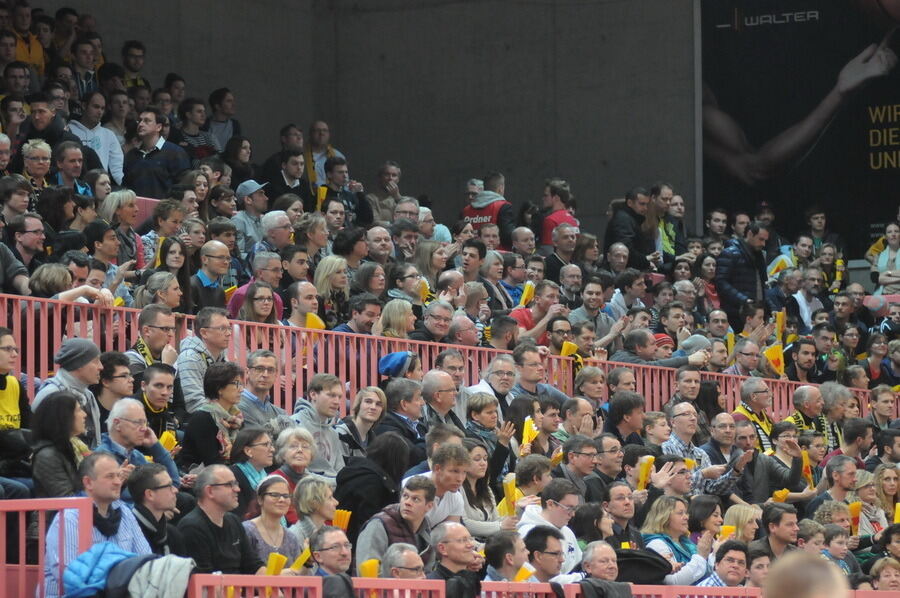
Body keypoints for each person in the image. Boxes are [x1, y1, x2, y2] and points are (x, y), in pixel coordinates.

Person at [43, 453, 151, 598]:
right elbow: (72, 578)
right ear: (88, 483)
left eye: (119, 476)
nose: (118, 482)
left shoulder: (124, 511)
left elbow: (145, 560)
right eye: (110, 476)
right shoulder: (69, 517)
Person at [177, 464, 266, 575]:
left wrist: (278, 577)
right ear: (210, 491)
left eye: (236, 484)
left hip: (239, 590)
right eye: (230, 485)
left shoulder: (234, 521)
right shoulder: (192, 527)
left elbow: (252, 565)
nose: (237, 489)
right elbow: (204, 580)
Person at [96, 398, 181, 503]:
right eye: (138, 423)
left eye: (145, 423)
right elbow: (105, 504)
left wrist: (155, 446)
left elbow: (173, 485)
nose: (144, 429)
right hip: (125, 517)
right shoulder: (101, 459)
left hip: (141, 515)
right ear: (117, 424)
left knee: (184, 500)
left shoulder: (137, 456)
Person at [334, 431, 408, 544]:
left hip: (341, 537)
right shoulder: (375, 482)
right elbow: (368, 524)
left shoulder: (355, 470)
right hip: (357, 545)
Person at [356, 475, 436, 574]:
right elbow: (366, 571)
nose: (407, 503)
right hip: (382, 588)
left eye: (415, 499)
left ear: (429, 506)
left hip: (415, 588)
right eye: (405, 496)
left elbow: (428, 573)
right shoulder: (379, 525)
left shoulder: (427, 530)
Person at [32, 338, 103, 448]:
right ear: (79, 364)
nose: (101, 367)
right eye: (95, 361)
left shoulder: (88, 395)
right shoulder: (50, 395)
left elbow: (95, 442)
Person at [178, 362, 245, 467]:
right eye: (236, 384)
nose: (241, 389)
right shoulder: (203, 418)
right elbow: (212, 462)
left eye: (241, 384)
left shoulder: (236, 418)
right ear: (219, 388)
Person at [640, 495, 713, 585]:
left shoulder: (687, 543)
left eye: (686, 513)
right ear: (664, 517)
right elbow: (672, 581)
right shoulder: (657, 544)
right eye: (680, 513)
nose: (686, 517)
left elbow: (707, 575)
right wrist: (701, 556)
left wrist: (714, 554)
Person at [517, 478, 582, 574]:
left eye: (575, 509)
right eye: (569, 508)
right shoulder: (528, 532)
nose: (573, 514)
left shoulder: (567, 532)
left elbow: (578, 564)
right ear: (550, 504)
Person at [122, 106, 190, 198]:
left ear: (158, 127)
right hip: (136, 209)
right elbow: (126, 188)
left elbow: (183, 187)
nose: (141, 124)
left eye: (147, 121)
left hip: (165, 210)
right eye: (139, 120)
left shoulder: (175, 152)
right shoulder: (131, 155)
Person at [31, 391, 87, 498]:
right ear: (64, 417)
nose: (85, 415)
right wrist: (101, 491)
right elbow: (65, 499)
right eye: (79, 410)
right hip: (58, 514)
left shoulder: (75, 445)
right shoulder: (47, 456)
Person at [175, 307, 229, 414]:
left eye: (229, 328)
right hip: (193, 421)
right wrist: (227, 417)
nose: (228, 333)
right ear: (204, 333)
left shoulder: (223, 359)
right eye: (222, 328)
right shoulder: (190, 357)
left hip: (215, 416)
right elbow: (194, 404)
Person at [291, 373, 345, 479]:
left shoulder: (334, 433)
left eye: (339, 397)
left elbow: (341, 472)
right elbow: (296, 472)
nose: (337, 402)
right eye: (331, 395)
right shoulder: (294, 424)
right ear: (313, 395)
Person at [128, 463, 186, 556]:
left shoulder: (172, 534)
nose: (176, 490)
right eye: (169, 486)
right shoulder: (129, 534)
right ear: (150, 494)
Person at [242, 475, 302, 564]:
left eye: (286, 496)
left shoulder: (291, 537)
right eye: (274, 495)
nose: (282, 499)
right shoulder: (247, 530)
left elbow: (298, 574)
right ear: (260, 499)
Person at [374, 377, 427, 464]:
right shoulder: (387, 427)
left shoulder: (420, 426)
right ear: (404, 404)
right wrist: (431, 442)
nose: (423, 403)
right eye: (418, 399)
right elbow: (414, 456)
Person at [229, 427, 275, 519]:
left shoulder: (267, 475)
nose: (272, 449)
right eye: (266, 445)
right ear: (248, 451)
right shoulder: (233, 476)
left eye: (271, 444)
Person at [427, 521, 480, 598]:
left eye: (470, 539)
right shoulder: (430, 586)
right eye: (462, 540)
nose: (471, 545)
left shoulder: (474, 581)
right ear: (442, 548)